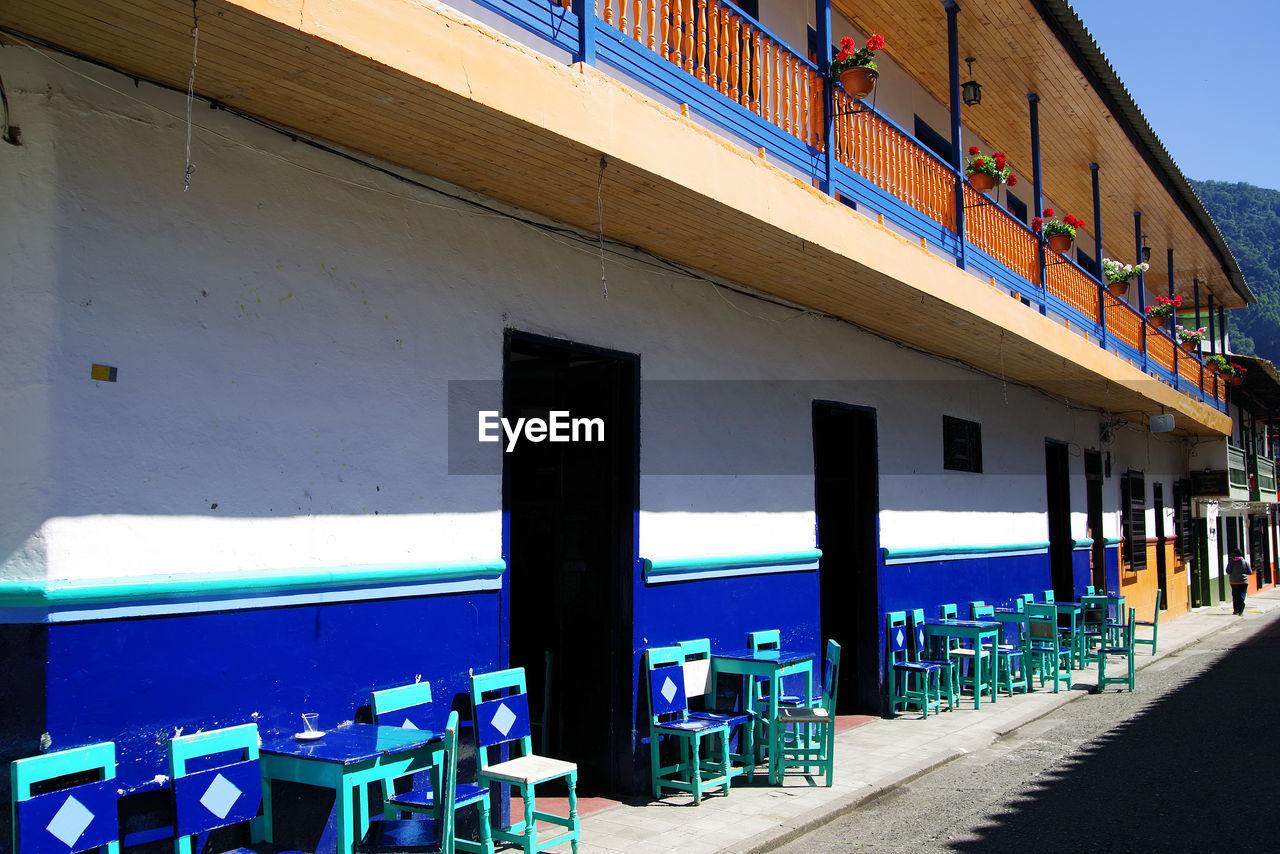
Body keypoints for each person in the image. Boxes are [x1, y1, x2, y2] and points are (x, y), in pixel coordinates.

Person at [1226, 549, 1253, 616]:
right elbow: (1250, 572)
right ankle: (1240, 611)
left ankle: (1235, 610)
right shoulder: (1244, 562)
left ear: (1235, 555)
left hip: (1233, 582)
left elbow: (1227, 571)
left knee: (1235, 596)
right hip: (1243, 582)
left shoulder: (1231, 562)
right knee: (1241, 596)